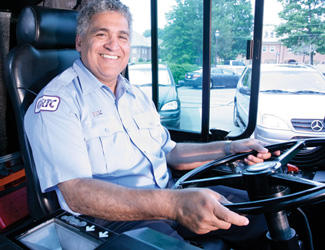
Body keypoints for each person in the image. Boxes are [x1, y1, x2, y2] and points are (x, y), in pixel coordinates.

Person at [24, 0, 276, 249]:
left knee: (269, 214)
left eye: (122, 37)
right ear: (80, 41)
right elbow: (77, 194)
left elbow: (170, 152)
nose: (113, 45)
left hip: (171, 194)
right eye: (102, 34)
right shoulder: (58, 103)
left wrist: (231, 149)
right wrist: (174, 204)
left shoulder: (137, 95)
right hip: (114, 219)